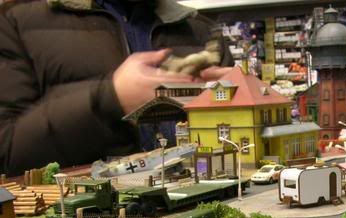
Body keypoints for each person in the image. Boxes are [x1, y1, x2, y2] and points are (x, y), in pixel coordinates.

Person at [0, 0, 234, 177]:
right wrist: (109, 98)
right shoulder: (15, 22)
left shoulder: (200, 30)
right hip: (92, 215)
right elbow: (7, 152)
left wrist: (231, 96)